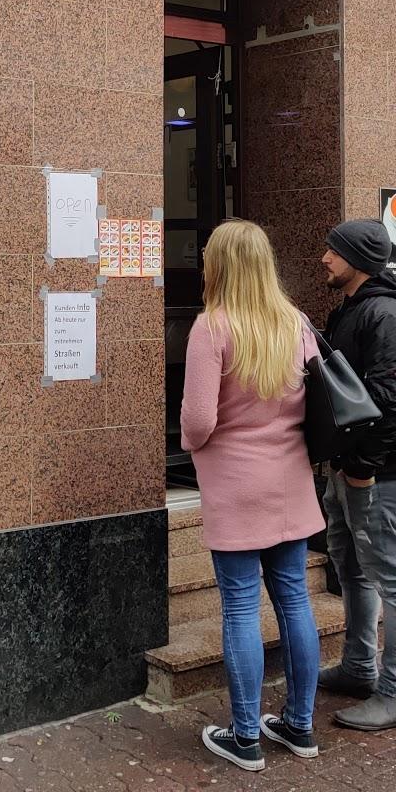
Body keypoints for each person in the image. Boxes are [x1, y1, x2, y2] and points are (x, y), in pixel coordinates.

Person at [181, 220, 323, 771]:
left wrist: (199, 447)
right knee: (294, 600)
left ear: (217, 267)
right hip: (289, 483)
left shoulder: (211, 326)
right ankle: (300, 725)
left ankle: (245, 737)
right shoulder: (296, 323)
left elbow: (196, 422)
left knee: (240, 604)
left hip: (236, 488)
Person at [316, 219, 396, 731]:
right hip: (349, 471)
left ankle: (392, 691)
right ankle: (359, 666)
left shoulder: (384, 314)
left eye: (334, 250)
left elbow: (389, 401)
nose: (325, 258)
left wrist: (364, 468)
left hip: (378, 477)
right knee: (352, 568)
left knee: (389, 578)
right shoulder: (350, 308)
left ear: (359, 260)